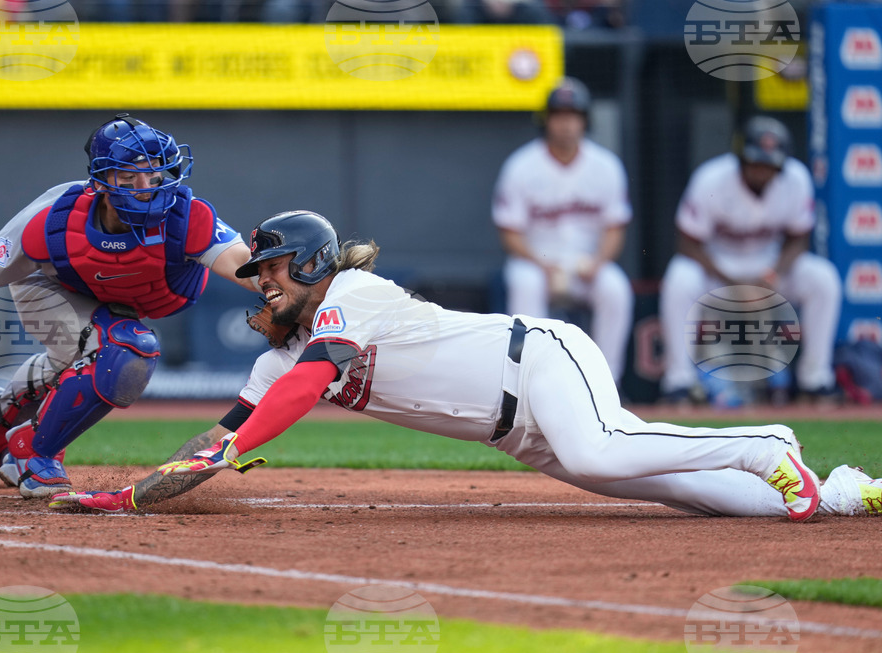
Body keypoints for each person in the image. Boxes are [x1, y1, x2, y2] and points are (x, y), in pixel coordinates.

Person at [49, 211, 882, 520]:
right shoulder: (281, 357)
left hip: (539, 362)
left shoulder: (352, 291)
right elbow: (222, 432)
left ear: (308, 266)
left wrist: (228, 450)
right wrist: (135, 491)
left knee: (602, 449)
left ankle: (762, 443)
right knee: (688, 494)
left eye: (267, 271)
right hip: (521, 436)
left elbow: (314, 381)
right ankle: (841, 490)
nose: (258, 286)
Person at [0, 114, 255, 499]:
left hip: (100, 302)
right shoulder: (52, 218)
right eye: (128, 177)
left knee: (85, 355)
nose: (145, 187)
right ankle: (35, 454)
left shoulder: (186, 215)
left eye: (155, 174)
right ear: (101, 181)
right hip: (46, 287)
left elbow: (244, 265)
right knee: (126, 350)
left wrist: (299, 290)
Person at [659, 116, 842, 406]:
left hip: (769, 269)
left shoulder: (796, 179)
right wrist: (734, 283)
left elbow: (799, 238)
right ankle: (678, 382)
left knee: (822, 277)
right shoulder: (712, 178)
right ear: (741, 158)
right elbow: (687, 243)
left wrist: (772, 274)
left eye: (769, 164)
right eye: (756, 162)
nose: (762, 170)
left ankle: (815, 379)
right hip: (718, 268)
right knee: (680, 277)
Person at [492, 77, 633, 385]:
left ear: (585, 121)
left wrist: (599, 262)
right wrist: (540, 263)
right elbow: (509, 232)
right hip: (535, 261)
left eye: (573, 116)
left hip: (586, 263)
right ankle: (532, 382)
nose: (566, 124)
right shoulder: (522, 165)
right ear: (547, 120)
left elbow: (614, 227)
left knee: (615, 287)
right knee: (525, 283)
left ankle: (607, 382)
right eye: (559, 116)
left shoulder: (605, 165)